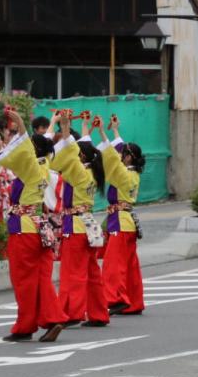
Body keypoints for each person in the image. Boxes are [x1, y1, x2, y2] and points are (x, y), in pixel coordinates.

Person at [0, 109, 68, 343]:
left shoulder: (32, 169)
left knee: (24, 280)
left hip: (24, 229)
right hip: (40, 227)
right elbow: (34, 149)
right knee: (40, 279)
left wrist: (21, 125)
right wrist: (59, 125)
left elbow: (23, 150)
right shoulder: (46, 167)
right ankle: (48, 318)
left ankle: (27, 325)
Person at [49, 111, 110, 329]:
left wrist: (65, 128)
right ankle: (99, 313)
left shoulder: (78, 172)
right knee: (92, 273)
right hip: (89, 224)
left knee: (72, 272)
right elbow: (78, 148)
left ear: (81, 157)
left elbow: (68, 151)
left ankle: (71, 312)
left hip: (74, 225)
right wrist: (86, 127)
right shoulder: (93, 173)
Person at [96, 116, 145, 316]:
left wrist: (101, 133)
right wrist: (115, 131)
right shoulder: (133, 174)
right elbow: (116, 155)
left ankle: (115, 299)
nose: (120, 155)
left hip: (120, 223)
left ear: (128, 157)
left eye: (123, 154)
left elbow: (111, 158)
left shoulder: (122, 174)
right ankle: (134, 302)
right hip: (128, 223)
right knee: (130, 265)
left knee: (113, 265)